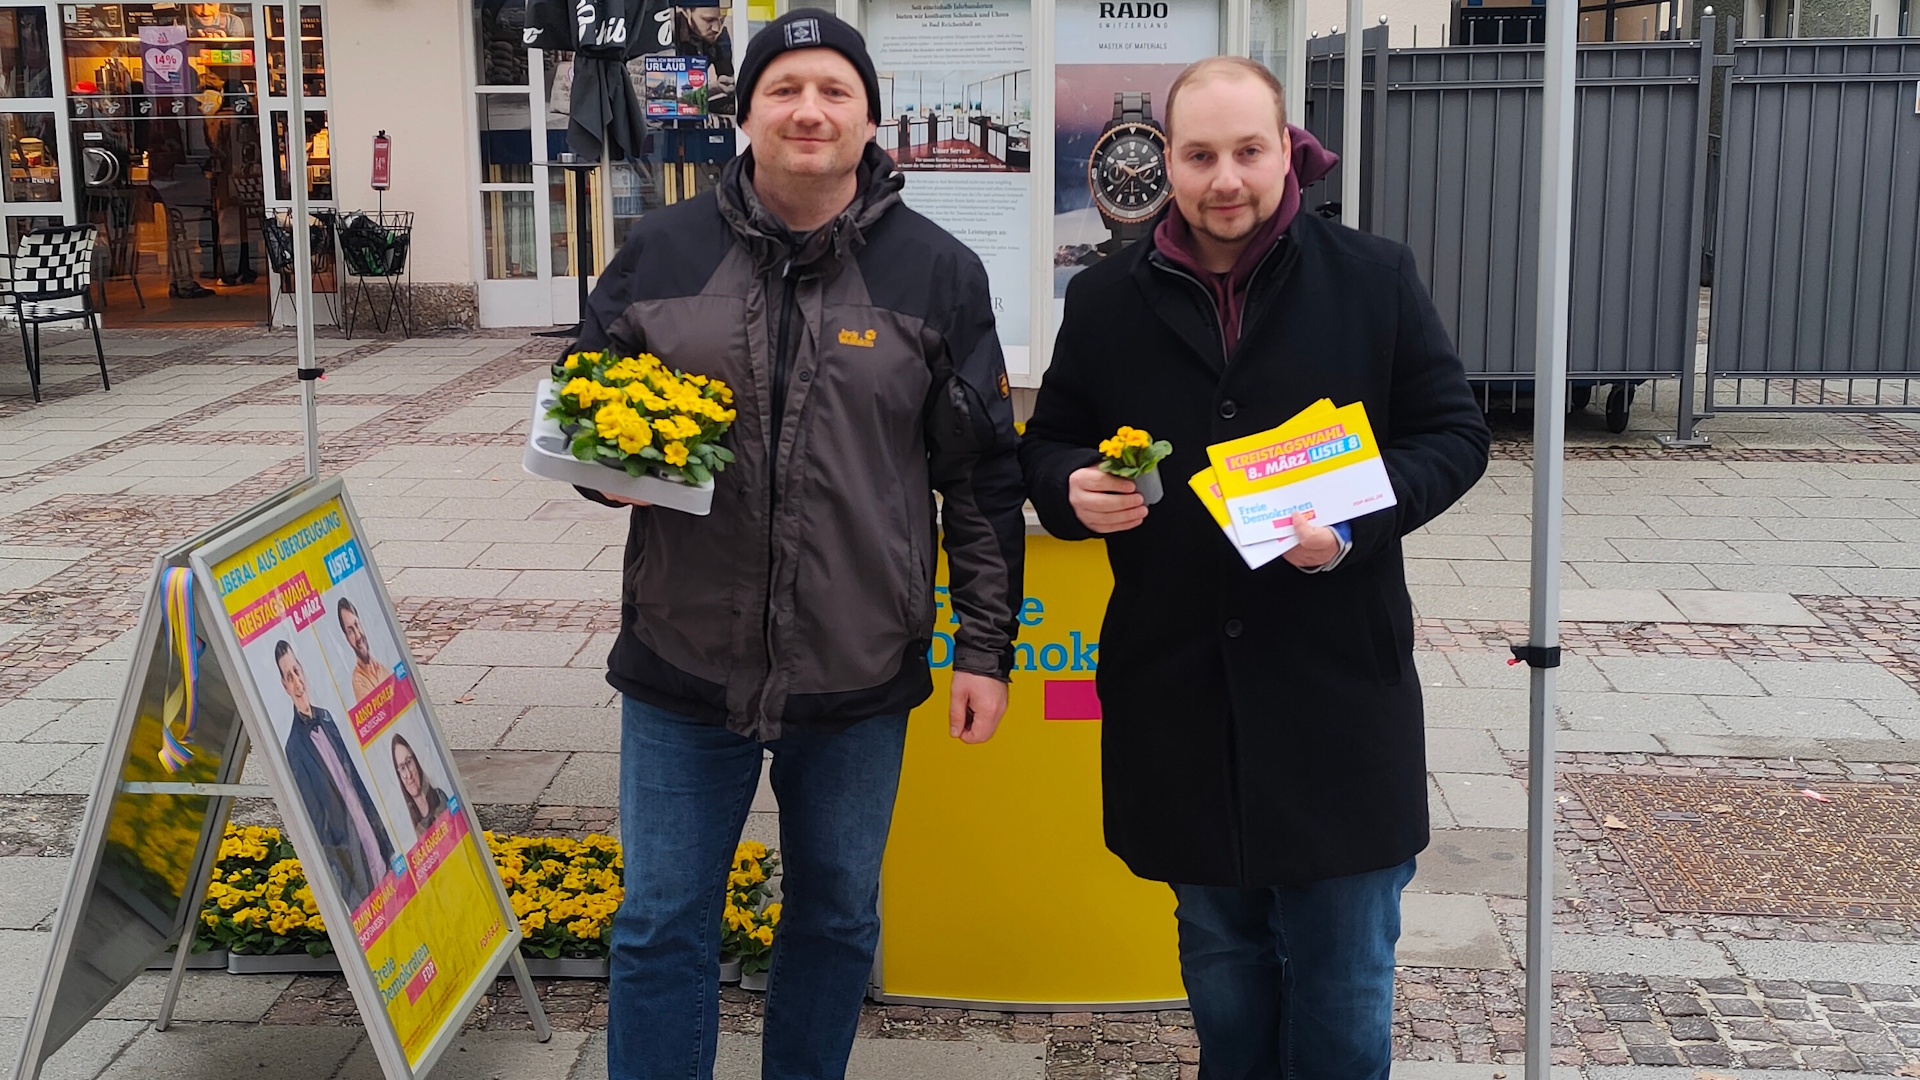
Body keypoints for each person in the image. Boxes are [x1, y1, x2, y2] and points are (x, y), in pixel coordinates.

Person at [570, 11, 1025, 1079]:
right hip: (685, 663)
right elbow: (582, 413)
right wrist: (601, 474)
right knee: (659, 924)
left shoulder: (937, 273)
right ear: (747, 112)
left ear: (870, 116)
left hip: (857, 670)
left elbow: (981, 477)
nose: (809, 110)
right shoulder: (659, 253)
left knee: (833, 924)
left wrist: (985, 649)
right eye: (784, 89)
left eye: (834, 89)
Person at [1020, 56, 1491, 1080]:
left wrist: (1357, 519)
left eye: (1246, 152)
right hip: (1180, 702)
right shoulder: (1105, 298)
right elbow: (1049, 442)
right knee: (1225, 978)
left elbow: (1454, 436)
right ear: (1165, 162)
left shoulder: (1373, 277)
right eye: (1200, 156)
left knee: (1343, 995)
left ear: (1289, 151)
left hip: (1336, 701)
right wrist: (1070, 488)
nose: (1224, 179)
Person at [274, 640, 397, 911]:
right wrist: (345, 883)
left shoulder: (327, 718)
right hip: (350, 852)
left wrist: (385, 842)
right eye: (289, 676)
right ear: (284, 685)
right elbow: (318, 823)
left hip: (370, 832)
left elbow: (356, 781)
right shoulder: (294, 748)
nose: (297, 682)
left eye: (297, 671)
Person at [390, 733, 450, 838]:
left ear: (415, 761)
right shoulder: (407, 825)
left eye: (408, 762)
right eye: (402, 768)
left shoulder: (440, 797)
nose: (409, 775)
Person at [336, 597, 392, 703]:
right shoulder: (358, 681)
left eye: (357, 625)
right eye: (350, 631)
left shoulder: (381, 668)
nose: (358, 636)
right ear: (347, 638)